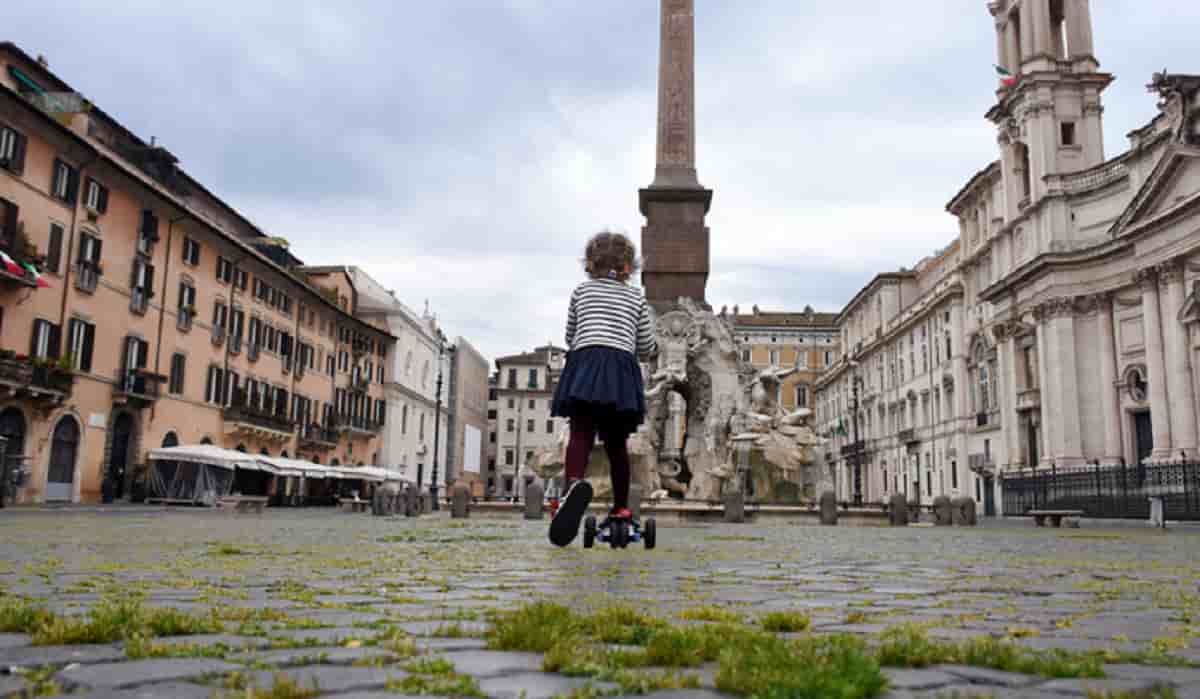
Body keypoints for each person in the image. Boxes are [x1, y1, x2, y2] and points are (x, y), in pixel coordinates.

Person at [548, 231, 657, 547]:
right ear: (629, 267)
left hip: (584, 363)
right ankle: (621, 507)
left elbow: (570, 334)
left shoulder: (581, 292)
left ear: (590, 264)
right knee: (616, 444)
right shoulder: (636, 297)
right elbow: (647, 345)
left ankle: (572, 487)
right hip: (620, 370)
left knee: (580, 433)